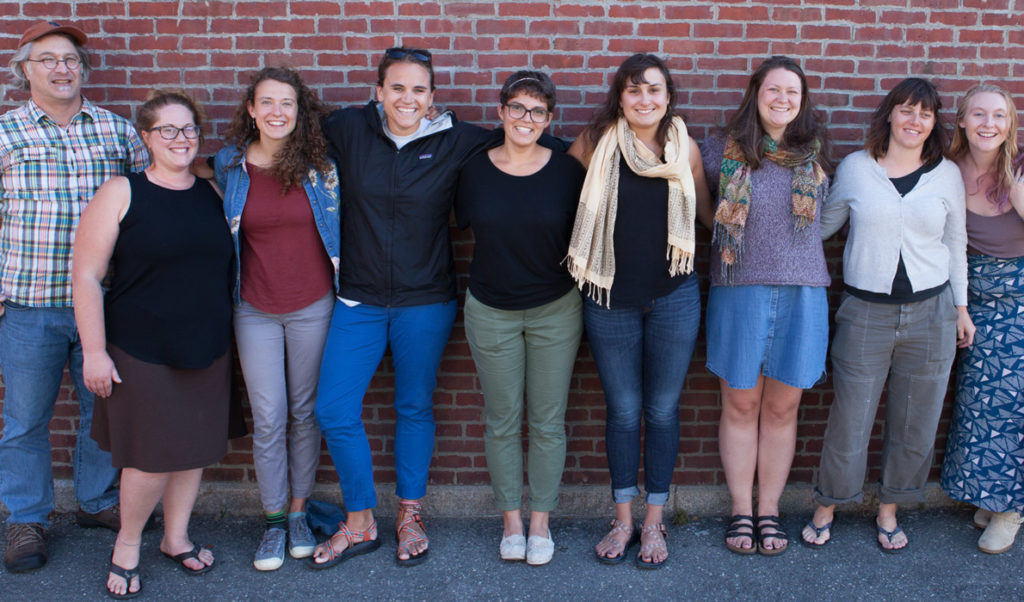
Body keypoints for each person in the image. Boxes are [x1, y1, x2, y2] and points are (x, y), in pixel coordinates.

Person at [310, 47, 561, 568]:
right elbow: (284, 138)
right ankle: (359, 522)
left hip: (426, 299)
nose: (408, 99)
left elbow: (528, 138)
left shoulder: (459, 140)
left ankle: (409, 514)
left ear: (432, 96)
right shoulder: (348, 130)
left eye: (419, 89)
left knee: (414, 407)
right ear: (378, 91)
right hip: (358, 297)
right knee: (334, 409)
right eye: (397, 88)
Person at [0, 21, 149, 573]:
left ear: (83, 70)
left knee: (103, 411)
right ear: (25, 72)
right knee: (24, 419)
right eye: (48, 60)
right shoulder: (7, 134)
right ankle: (26, 518)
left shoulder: (116, 133)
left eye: (70, 60)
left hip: (105, 305)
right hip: (28, 305)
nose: (62, 68)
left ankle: (97, 502)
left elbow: (148, 206)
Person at [72, 90, 232, 598]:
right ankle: (127, 544)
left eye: (189, 130)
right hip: (140, 346)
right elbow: (87, 276)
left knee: (192, 450)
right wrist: (94, 351)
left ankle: (176, 537)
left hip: (206, 344)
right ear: (145, 137)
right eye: (168, 130)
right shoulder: (122, 191)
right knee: (149, 455)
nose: (180, 139)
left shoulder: (213, 192)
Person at [804, 78, 974, 552]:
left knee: (916, 420)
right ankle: (828, 503)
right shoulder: (858, 168)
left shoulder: (947, 175)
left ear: (933, 123)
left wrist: (961, 308)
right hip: (865, 314)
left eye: (924, 113)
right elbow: (823, 228)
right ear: (889, 116)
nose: (914, 121)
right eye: (905, 110)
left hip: (933, 313)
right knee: (849, 419)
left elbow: (955, 244)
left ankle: (890, 509)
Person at [566, 53, 710, 569]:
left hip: (674, 297)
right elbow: (562, 203)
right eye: (633, 91)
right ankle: (623, 519)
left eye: (653, 90)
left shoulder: (685, 148)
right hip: (609, 299)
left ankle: (654, 522)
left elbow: (709, 218)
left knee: (663, 410)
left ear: (668, 95)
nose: (644, 100)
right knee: (624, 410)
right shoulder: (593, 144)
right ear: (619, 98)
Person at [699, 56, 830, 556]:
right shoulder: (719, 150)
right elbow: (703, 211)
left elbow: (827, 218)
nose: (782, 99)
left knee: (782, 407)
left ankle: (769, 510)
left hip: (803, 293)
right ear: (756, 94)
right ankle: (740, 510)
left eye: (792, 93)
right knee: (740, 402)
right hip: (740, 289)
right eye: (773, 90)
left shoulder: (814, 155)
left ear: (802, 102)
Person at [455, 71, 585, 566]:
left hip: (556, 307)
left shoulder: (567, 171)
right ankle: (511, 524)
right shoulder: (475, 171)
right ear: (501, 112)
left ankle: (540, 525)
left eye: (537, 111)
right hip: (490, 309)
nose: (525, 118)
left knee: (548, 422)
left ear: (549, 119)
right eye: (517, 108)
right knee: (502, 421)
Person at [213, 67, 340, 571]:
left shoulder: (322, 166)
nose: (276, 112)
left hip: (313, 305)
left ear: (299, 110)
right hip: (254, 308)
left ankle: (297, 514)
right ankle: (270, 524)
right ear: (251, 109)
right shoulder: (230, 165)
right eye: (266, 102)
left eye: (286, 103)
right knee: (268, 418)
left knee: (305, 413)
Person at [940, 84, 1024, 555]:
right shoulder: (949, 170)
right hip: (973, 302)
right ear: (962, 121)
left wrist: (1011, 179)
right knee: (978, 405)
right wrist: (960, 307)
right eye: (979, 114)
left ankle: (1011, 510)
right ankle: (993, 497)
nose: (988, 124)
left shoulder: (1021, 165)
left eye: (999, 115)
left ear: (1010, 123)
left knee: (1012, 406)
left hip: (1021, 301)